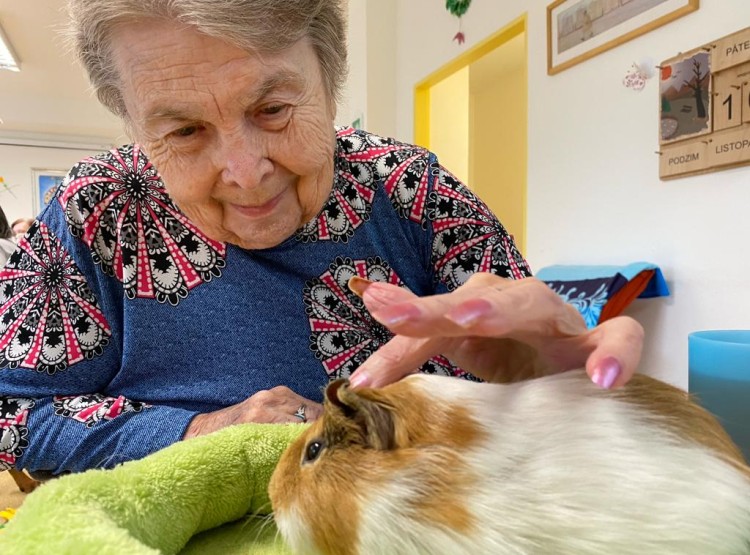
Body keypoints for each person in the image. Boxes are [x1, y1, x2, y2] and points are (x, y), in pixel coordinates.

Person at [0, 0, 643, 477]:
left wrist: (557, 386)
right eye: (187, 132)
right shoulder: (95, 211)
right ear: (135, 128)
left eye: (273, 111)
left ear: (331, 89)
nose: (246, 174)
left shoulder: (412, 192)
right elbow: (11, 413)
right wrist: (202, 430)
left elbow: (534, 371)